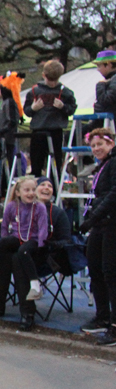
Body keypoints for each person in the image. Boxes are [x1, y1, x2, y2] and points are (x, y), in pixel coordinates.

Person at [0, 176, 48, 330]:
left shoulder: (42, 208)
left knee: (19, 258)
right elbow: (4, 227)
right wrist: (5, 239)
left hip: (33, 250)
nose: (31, 193)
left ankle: (27, 313)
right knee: (4, 256)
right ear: (18, 192)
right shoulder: (13, 206)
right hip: (16, 242)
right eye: (27, 190)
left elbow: (45, 232)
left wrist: (40, 246)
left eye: (33, 190)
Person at [78, 127, 116, 344]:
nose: (96, 149)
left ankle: (114, 324)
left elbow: (113, 194)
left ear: (110, 143)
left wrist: (93, 217)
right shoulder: (103, 165)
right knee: (95, 268)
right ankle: (102, 316)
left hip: (111, 223)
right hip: (100, 223)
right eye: (92, 146)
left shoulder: (114, 163)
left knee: (110, 272)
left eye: (100, 144)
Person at [24, 60, 77, 181]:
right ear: (43, 76)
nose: (52, 84)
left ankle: (54, 189)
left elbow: (72, 109)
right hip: (38, 131)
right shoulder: (34, 91)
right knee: (36, 164)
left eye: (55, 80)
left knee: (56, 163)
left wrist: (63, 107)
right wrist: (33, 108)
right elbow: (26, 111)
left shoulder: (66, 92)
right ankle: (35, 190)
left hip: (56, 131)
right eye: (49, 80)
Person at [93, 50, 116, 121]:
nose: (98, 69)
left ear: (109, 65)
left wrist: (100, 85)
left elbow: (106, 101)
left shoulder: (113, 80)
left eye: (99, 66)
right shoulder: (111, 79)